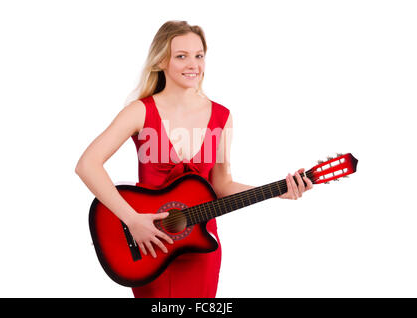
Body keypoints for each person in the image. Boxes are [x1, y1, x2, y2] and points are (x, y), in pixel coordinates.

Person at [75, 20, 313, 298]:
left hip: (202, 245)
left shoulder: (222, 117)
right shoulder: (139, 111)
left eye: (199, 56)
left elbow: (222, 185)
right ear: (162, 60)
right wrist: (133, 220)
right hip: (150, 245)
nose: (193, 65)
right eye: (181, 56)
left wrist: (277, 192)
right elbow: (87, 165)